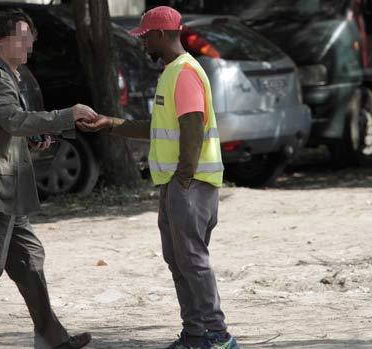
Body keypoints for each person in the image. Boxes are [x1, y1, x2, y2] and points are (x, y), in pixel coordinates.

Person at [77, 6, 240, 349]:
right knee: (178, 260)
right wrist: (110, 124)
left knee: (192, 261)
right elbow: (161, 129)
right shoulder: (172, 72)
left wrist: (183, 178)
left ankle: (217, 335)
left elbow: (193, 127)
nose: (143, 43)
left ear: (163, 35)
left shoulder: (183, 73)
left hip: (189, 184)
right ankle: (195, 334)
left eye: (146, 36)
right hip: (176, 184)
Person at [0, 9, 95, 349]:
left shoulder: (12, 76)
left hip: (8, 188)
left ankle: (51, 336)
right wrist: (67, 115)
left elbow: (9, 129)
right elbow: (13, 120)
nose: (28, 43)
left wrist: (34, 138)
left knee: (28, 258)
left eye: (30, 38)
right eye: (20, 36)